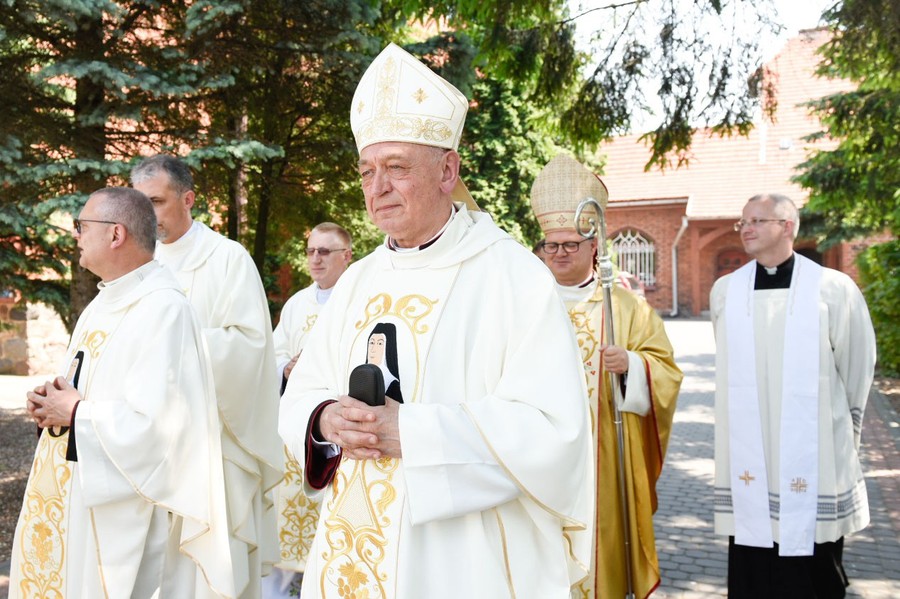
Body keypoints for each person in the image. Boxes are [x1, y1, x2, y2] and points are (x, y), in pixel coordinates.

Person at [278, 43, 593, 599]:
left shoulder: (512, 277)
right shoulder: (357, 280)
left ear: (448, 170)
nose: (377, 188)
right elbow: (304, 389)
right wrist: (326, 420)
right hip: (354, 541)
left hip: (464, 559)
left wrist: (415, 433)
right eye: (367, 170)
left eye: (397, 168)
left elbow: (553, 432)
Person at [10, 187, 234, 598]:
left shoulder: (163, 309)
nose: (75, 235)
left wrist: (78, 414)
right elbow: (82, 386)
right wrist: (52, 403)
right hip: (76, 488)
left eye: (82, 226)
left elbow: (161, 429)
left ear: (116, 235)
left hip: (120, 513)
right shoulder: (103, 303)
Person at [530, 154, 683, 599]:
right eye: (550, 246)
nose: (558, 254)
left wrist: (632, 368)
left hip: (603, 457)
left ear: (593, 245)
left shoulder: (626, 308)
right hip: (537, 456)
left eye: (569, 246)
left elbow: (667, 373)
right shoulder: (524, 304)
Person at [131, 155, 282, 599]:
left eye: (156, 201)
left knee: (206, 576)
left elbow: (253, 347)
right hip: (147, 447)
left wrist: (178, 344)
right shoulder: (138, 265)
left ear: (189, 199)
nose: (147, 214)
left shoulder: (228, 259)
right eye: (139, 203)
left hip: (214, 447)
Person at [710, 193, 876, 598]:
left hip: (814, 448)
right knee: (753, 554)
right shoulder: (726, 291)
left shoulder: (833, 288)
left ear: (787, 227)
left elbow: (857, 364)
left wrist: (842, 427)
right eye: (742, 221)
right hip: (752, 451)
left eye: (757, 220)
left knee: (814, 563)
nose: (745, 228)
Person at [265, 222, 352, 599]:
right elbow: (274, 352)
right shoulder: (297, 302)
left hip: (340, 425)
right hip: (299, 428)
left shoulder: (359, 295)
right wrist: (286, 368)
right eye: (311, 251)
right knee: (286, 517)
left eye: (325, 252)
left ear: (346, 256)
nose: (315, 259)